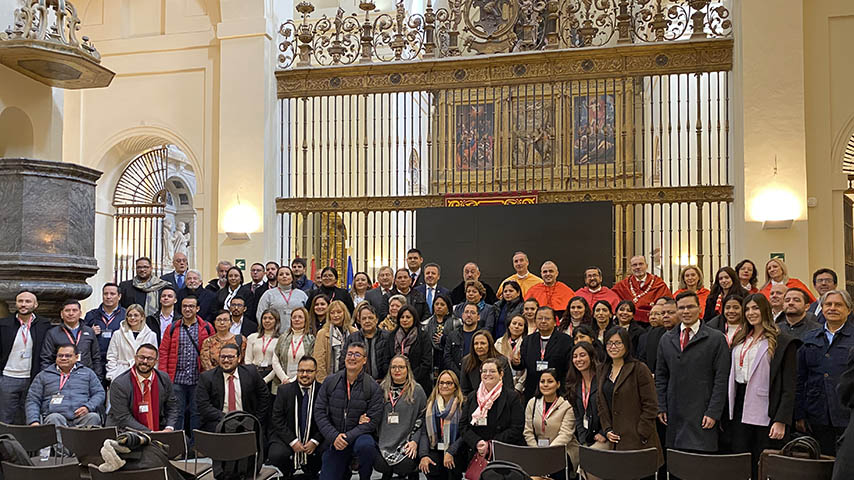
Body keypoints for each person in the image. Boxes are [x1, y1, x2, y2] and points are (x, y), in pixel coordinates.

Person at [726, 294, 799, 478]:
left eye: (755, 308)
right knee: (741, 458)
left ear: (765, 310)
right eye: (748, 309)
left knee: (763, 460)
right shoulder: (740, 339)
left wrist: (781, 419)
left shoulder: (782, 341)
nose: (751, 313)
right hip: (740, 404)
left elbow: (789, 386)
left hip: (768, 408)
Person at [656, 291, 730, 453]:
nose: (686, 311)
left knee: (699, 467)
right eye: (681, 308)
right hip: (674, 414)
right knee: (677, 465)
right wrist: (661, 406)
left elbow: (721, 379)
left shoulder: (716, 339)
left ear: (700, 309)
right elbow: (661, 376)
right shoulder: (667, 339)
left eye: (690, 307)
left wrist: (713, 412)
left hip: (702, 413)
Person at [795, 289, 854, 455]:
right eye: (828, 304)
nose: (832, 308)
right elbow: (800, 378)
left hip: (847, 414)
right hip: (817, 414)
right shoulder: (809, 338)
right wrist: (799, 414)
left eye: (838, 305)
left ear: (848, 310)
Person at [315, 342, 384, 480]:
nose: (352, 358)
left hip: (359, 436)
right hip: (335, 438)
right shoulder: (330, 382)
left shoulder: (373, 387)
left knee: (366, 446)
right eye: (349, 354)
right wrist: (334, 436)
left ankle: (365, 476)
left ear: (364, 360)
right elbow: (319, 412)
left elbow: (372, 421)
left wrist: (347, 437)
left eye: (357, 354)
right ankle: (344, 470)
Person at [598, 328, 663, 466]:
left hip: (638, 439)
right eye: (609, 343)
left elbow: (651, 405)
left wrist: (641, 431)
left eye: (618, 343)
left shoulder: (639, 369)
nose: (613, 347)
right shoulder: (602, 369)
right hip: (614, 439)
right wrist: (607, 429)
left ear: (627, 345)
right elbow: (601, 403)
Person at [158, 295, 215, 437]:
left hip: (198, 379)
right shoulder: (172, 328)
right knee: (177, 413)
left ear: (197, 308)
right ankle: (178, 446)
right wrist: (164, 376)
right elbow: (163, 352)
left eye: (191, 306)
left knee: (197, 413)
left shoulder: (207, 328)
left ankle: (196, 446)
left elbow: (212, 352)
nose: (187, 309)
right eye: (185, 306)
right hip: (177, 379)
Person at [26, 342, 104, 434]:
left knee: (93, 417)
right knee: (54, 418)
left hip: (82, 417)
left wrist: (88, 407)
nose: (63, 358)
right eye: (60, 355)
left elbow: (99, 393)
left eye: (68, 356)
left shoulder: (87, 373)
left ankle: (83, 448)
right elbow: (32, 400)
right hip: (55, 417)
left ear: (76, 357)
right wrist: (34, 421)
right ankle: (60, 449)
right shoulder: (44, 375)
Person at [459, 358, 524, 464]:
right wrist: (477, 442)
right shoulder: (472, 396)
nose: (487, 374)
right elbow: (463, 426)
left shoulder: (512, 397)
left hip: (504, 452)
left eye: (492, 371)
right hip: (478, 452)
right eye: (484, 371)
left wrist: (491, 445)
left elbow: (517, 427)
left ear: (501, 374)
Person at [0, 291, 52, 424]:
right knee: (6, 417)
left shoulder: (44, 325)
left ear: (35, 305)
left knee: (29, 415)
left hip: (32, 378)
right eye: (20, 301)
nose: (23, 304)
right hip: (8, 377)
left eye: (28, 301)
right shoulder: (4, 324)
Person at [269, 355, 323, 479]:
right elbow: (277, 419)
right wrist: (293, 441)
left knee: (329, 451)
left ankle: (312, 471)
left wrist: (315, 441)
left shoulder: (323, 391)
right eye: (301, 371)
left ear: (316, 372)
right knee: (276, 454)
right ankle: (288, 472)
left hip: (314, 437)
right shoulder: (284, 390)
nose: (304, 374)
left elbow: (328, 419)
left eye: (309, 371)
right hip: (289, 436)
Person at [375, 355, 428, 480]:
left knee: (404, 466)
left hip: (407, 442)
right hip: (384, 443)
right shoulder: (382, 389)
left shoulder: (417, 390)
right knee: (380, 464)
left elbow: (423, 419)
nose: (397, 370)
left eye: (401, 367)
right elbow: (373, 414)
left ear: (407, 370)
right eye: (393, 367)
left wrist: (415, 441)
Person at [196, 343, 270, 431]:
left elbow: (264, 397)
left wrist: (255, 419)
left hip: (247, 421)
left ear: (239, 359)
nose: (226, 360)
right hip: (219, 421)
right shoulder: (207, 377)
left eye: (230, 357)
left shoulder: (251, 373)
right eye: (223, 357)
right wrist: (228, 418)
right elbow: (203, 406)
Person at [106, 343, 179, 431]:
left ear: (156, 361)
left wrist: (169, 427)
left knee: (182, 441)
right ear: (135, 358)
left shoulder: (163, 379)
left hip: (159, 429)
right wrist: (150, 433)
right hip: (127, 432)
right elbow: (123, 417)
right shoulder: (119, 384)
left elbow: (172, 406)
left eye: (150, 359)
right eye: (141, 357)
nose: (145, 361)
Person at [524, 369, 579, 480]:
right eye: (542, 381)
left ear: (558, 384)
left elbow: (566, 434)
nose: (545, 385)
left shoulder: (567, 405)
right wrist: (536, 451)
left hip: (562, 450)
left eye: (550, 381)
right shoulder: (532, 403)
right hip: (537, 450)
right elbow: (528, 431)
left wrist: (548, 453)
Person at [514, 306, 573, 399]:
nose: (543, 321)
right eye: (540, 318)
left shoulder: (565, 340)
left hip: (558, 390)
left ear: (555, 322)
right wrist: (516, 363)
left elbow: (569, 367)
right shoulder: (528, 340)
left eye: (547, 318)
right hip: (532, 390)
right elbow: (523, 365)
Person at [41, 299, 104, 380]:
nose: (71, 313)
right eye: (67, 310)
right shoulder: (53, 333)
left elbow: (96, 357)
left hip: (85, 376)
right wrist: (48, 378)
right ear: (61, 314)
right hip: (60, 377)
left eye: (74, 310)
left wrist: (97, 377)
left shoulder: (89, 331)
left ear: (80, 313)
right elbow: (46, 358)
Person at [419, 370, 464, 480]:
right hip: (435, 448)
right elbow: (424, 432)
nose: (444, 386)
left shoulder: (462, 405)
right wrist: (424, 455)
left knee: (452, 468)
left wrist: (450, 451)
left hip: (456, 449)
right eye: (441, 383)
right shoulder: (430, 405)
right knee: (429, 464)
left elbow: (464, 434)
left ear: (455, 386)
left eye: (449, 383)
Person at [566, 342, 608, 454]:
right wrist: (583, 439)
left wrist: (604, 432)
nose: (578, 359)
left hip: (605, 435)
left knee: (589, 461)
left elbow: (612, 409)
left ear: (591, 356)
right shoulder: (574, 384)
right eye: (575, 356)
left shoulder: (603, 379)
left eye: (582, 355)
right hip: (587, 436)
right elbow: (578, 416)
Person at [612, 256, 672, 324]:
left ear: (646, 266)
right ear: (631, 268)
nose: (638, 267)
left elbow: (667, 303)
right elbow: (612, 299)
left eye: (641, 264)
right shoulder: (623, 285)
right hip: (628, 322)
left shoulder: (658, 283)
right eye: (634, 265)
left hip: (652, 323)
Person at [105, 304, 158, 381]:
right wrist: (112, 374)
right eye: (130, 315)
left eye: (136, 315)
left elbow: (154, 357)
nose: (132, 318)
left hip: (143, 374)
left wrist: (151, 376)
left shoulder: (151, 335)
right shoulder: (118, 334)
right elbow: (111, 356)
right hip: (121, 373)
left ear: (142, 317)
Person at [341, 303, 391, 381]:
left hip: (383, 383)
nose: (367, 321)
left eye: (370, 318)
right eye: (364, 318)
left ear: (377, 320)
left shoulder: (387, 337)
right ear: (359, 321)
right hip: (358, 382)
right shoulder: (352, 338)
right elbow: (344, 362)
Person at [390, 305, 433, 395]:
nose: (405, 320)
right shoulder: (392, 336)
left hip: (419, 382)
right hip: (395, 382)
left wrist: (409, 377)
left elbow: (426, 362)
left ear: (414, 318)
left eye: (408, 317)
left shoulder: (423, 336)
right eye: (402, 317)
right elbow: (387, 359)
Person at [84, 283, 126, 369]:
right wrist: (90, 332)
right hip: (96, 361)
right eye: (105, 294)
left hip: (118, 361)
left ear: (119, 296)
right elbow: (82, 337)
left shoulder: (126, 315)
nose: (108, 297)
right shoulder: (91, 315)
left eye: (112, 294)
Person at [273, 307, 316, 392]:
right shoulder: (283, 337)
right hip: (282, 382)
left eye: (300, 317)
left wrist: (294, 380)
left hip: (303, 381)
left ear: (306, 320)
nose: (297, 320)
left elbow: (312, 361)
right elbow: (275, 359)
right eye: (294, 317)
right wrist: (284, 378)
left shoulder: (311, 339)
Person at [460, 330, 514, 397]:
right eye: (476, 343)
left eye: (483, 343)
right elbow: (465, 390)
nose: (479, 346)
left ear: (489, 344)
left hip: (499, 400)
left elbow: (509, 387)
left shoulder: (502, 361)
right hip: (475, 402)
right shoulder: (466, 361)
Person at [314, 300, 357, 382]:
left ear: (345, 313)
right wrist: (323, 382)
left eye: (339, 312)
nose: (336, 315)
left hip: (352, 379)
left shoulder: (354, 332)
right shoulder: (322, 333)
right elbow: (319, 361)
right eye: (332, 313)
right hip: (330, 379)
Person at [257, 266, 309, 334]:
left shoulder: (301, 294)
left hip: (298, 335)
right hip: (274, 335)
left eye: (287, 274)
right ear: (277, 278)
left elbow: (308, 314)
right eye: (281, 274)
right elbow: (260, 313)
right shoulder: (268, 294)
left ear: (292, 277)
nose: (284, 276)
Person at [424, 294, 459, 380]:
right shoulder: (426, 324)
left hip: (450, 359)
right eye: (437, 304)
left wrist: (445, 339)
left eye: (442, 305)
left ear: (448, 307)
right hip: (432, 358)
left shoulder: (457, 323)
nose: (439, 307)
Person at [244, 307, 280, 392]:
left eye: (270, 318)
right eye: (264, 318)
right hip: (253, 375)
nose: (267, 321)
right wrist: (252, 376)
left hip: (272, 376)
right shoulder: (252, 337)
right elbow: (248, 360)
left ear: (276, 321)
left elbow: (278, 363)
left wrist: (265, 380)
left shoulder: (280, 340)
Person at [443, 303, 481, 377]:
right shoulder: (452, 335)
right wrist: (460, 374)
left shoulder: (483, 335)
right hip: (456, 377)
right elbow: (447, 357)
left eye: (472, 312)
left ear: (478, 317)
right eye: (466, 312)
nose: (469, 315)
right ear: (462, 315)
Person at [495, 315, 527, 394]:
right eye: (514, 323)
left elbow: (528, 368)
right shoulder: (499, 342)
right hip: (501, 383)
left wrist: (519, 386)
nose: (516, 327)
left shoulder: (527, 343)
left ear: (524, 328)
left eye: (520, 325)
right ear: (509, 326)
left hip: (520, 385)